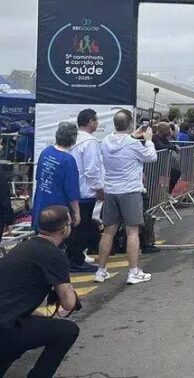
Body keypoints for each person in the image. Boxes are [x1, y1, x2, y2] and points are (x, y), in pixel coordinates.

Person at [0, 206, 81, 377]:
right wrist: (70, 293)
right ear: (64, 229)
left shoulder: (23, 247)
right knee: (68, 331)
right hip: (6, 327)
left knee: (23, 336)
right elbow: (68, 304)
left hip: (6, 322)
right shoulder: (54, 254)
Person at [95, 109, 157, 285]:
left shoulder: (106, 141)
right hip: (130, 191)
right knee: (132, 232)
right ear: (130, 124)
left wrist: (133, 136)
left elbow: (122, 144)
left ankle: (101, 270)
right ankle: (133, 271)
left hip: (111, 190)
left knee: (108, 231)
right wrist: (148, 140)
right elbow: (151, 157)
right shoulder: (133, 144)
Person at [68, 109, 104, 273]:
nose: (97, 124)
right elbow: (92, 169)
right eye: (96, 121)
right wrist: (99, 189)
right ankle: (77, 260)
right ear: (90, 122)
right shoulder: (90, 142)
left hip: (74, 189)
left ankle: (73, 258)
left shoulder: (73, 139)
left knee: (75, 227)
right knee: (82, 227)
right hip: (85, 190)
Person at [31, 123, 81, 238]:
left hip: (40, 205)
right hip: (58, 211)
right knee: (56, 242)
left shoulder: (45, 152)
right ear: (73, 139)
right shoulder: (68, 160)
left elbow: (38, 178)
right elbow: (72, 191)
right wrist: (77, 212)